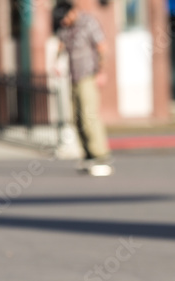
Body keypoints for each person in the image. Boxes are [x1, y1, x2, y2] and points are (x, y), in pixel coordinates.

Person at [54, 0, 112, 169]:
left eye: (65, 18)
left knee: (89, 115)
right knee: (76, 117)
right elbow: (61, 44)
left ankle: (101, 155)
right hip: (74, 77)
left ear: (72, 12)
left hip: (89, 76)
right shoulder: (65, 28)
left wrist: (101, 72)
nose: (63, 22)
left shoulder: (88, 23)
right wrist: (56, 62)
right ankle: (87, 154)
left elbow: (102, 47)